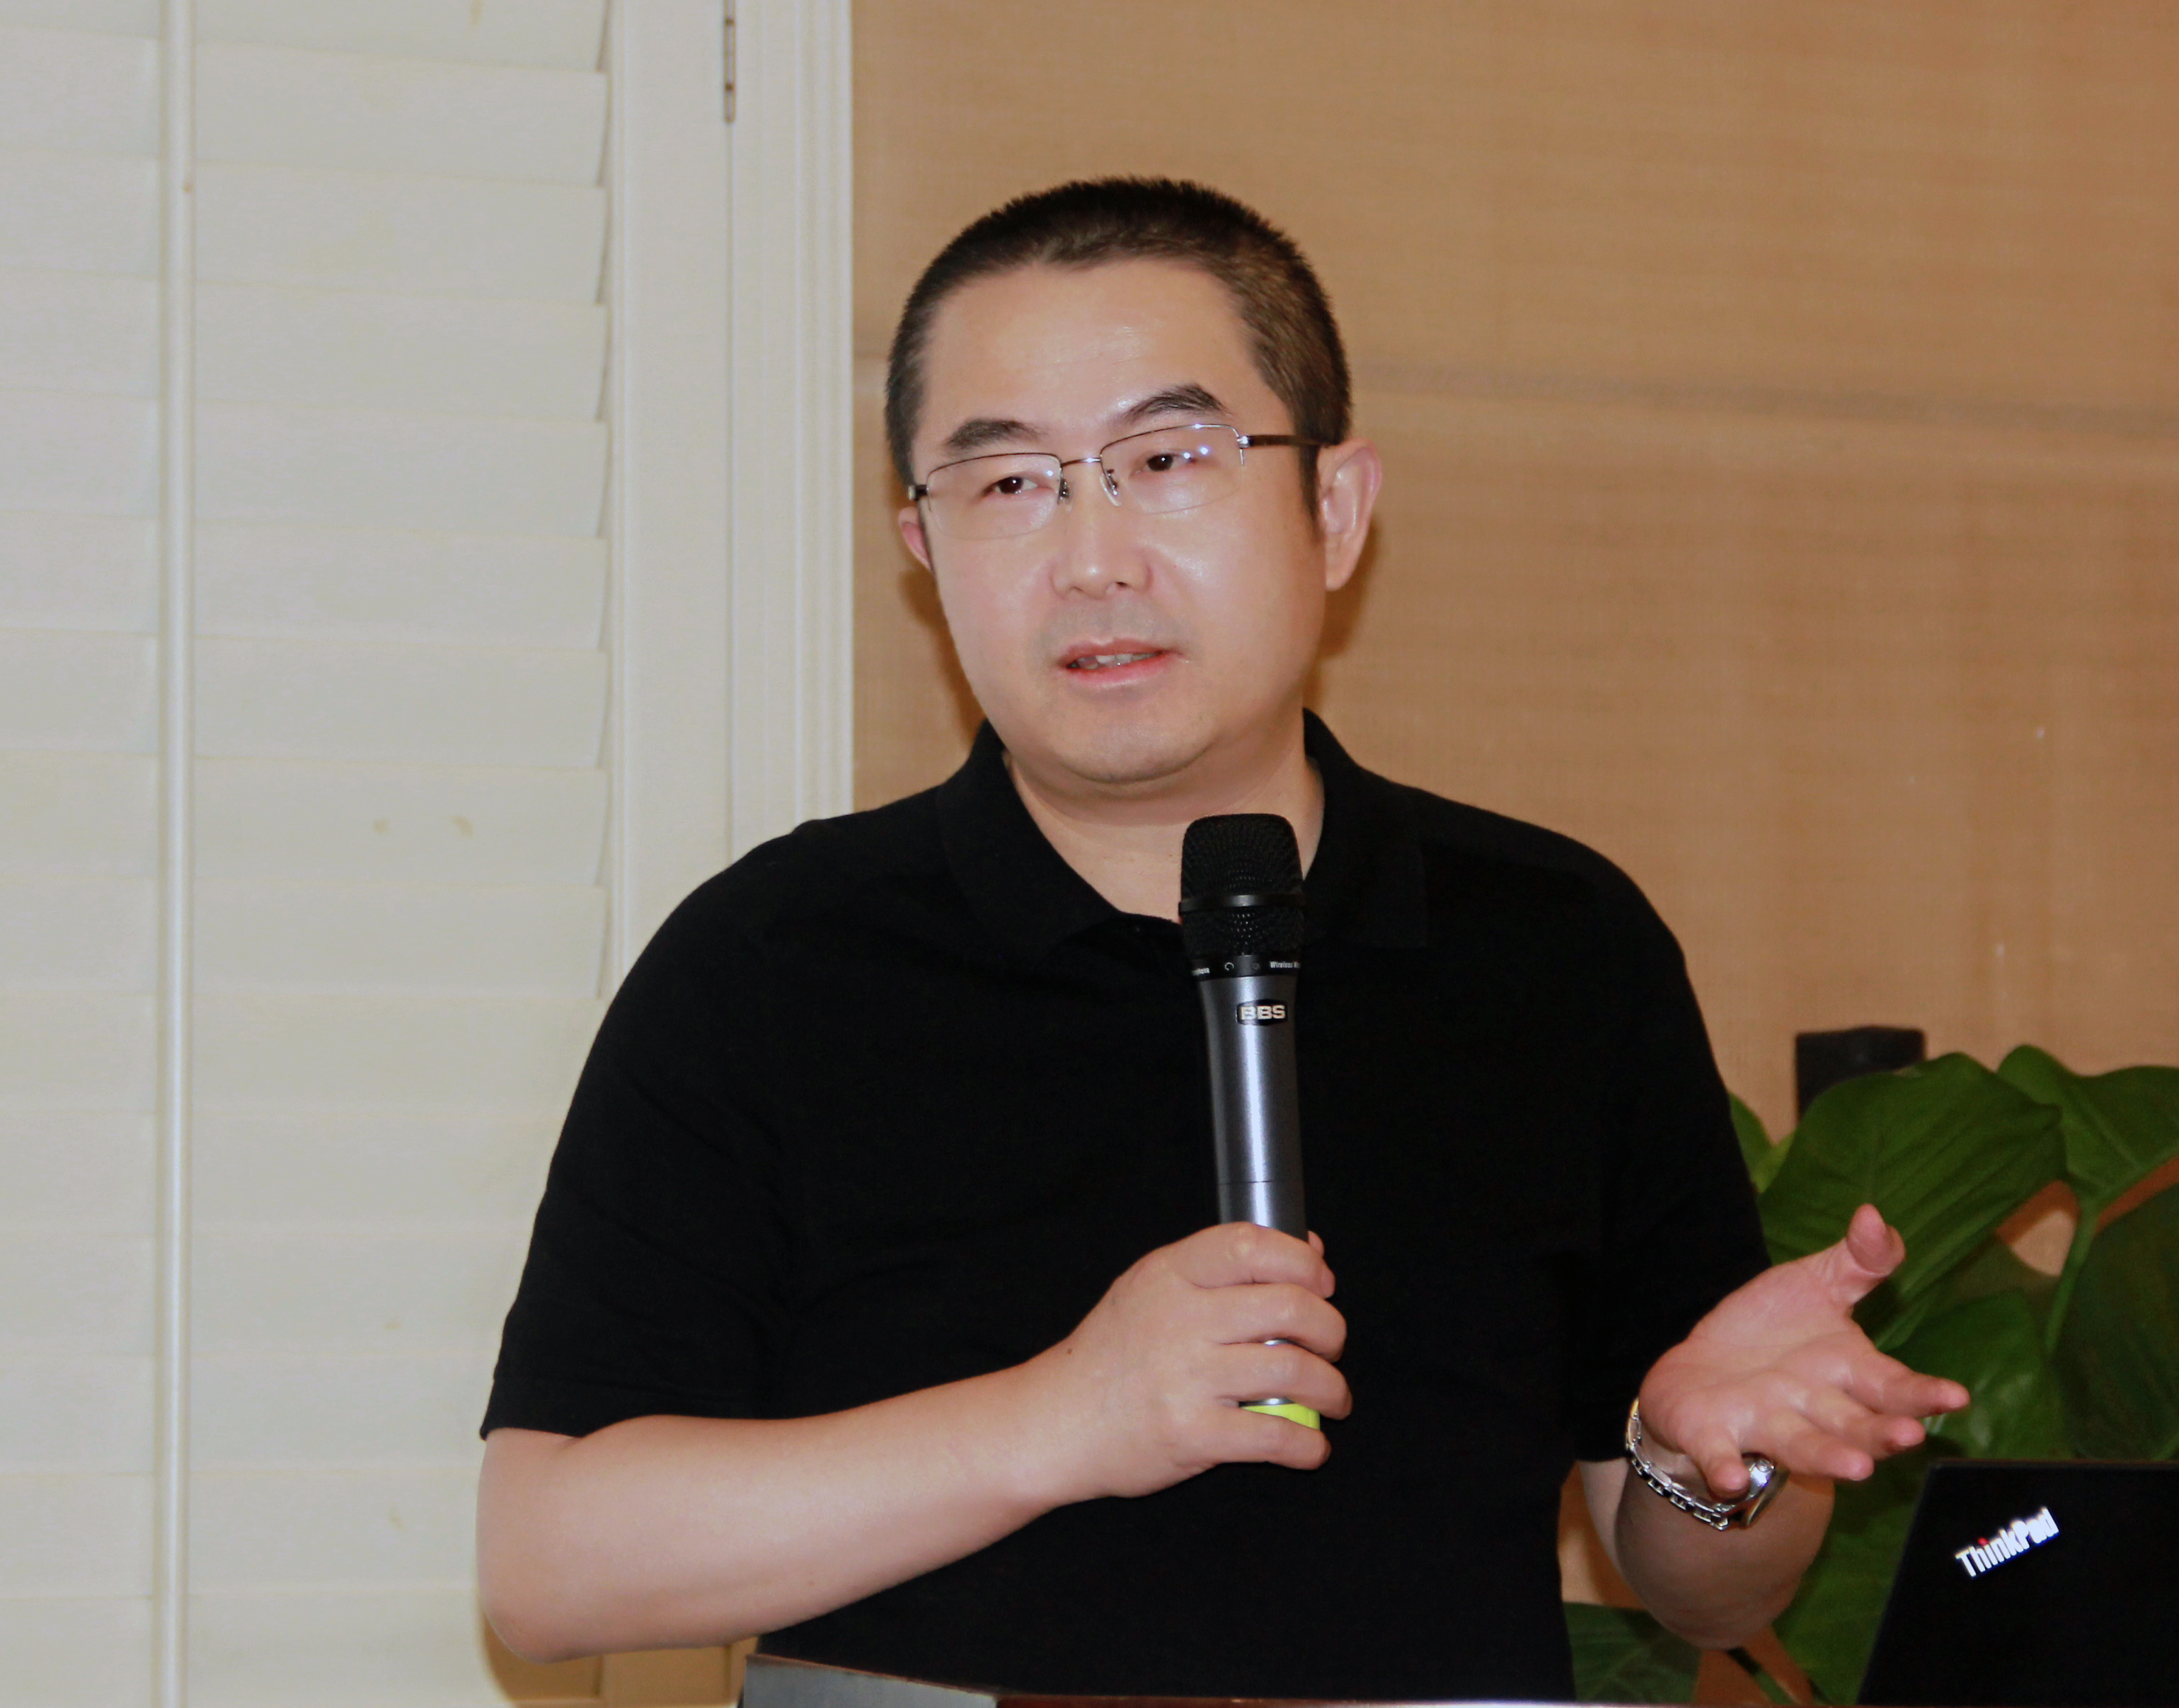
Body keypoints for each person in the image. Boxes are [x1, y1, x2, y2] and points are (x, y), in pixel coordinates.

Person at [476, 179, 1966, 1700]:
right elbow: (547, 1564)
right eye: (1007, 482)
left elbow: (1699, 1592)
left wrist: (1714, 1466)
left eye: (1167, 460)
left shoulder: (1555, 943)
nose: (1091, 557)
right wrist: (1061, 1418)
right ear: (918, 541)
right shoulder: (772, 961)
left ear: (1335, 510)